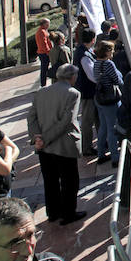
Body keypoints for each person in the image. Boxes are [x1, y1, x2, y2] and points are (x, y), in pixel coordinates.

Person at [26, 64, 85, 225]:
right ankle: (68, 214)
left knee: (50, 181)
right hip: (63, 145)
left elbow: (31, 118)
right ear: (72, 77)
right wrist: (45, 138)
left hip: (44, 148)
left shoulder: (41, 92)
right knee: (69, 181)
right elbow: (66, 121)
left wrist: (37, 138)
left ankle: (52, 212)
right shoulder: (73, 94)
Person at [93, 40, 123, 167]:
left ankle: (100, 154)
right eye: (111, 50)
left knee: (103, 126)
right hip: (110, 99)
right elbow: (118, 79)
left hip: (99, 98)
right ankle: (115, 158)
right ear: (106, 52)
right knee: (112, 128)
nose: (113, 52)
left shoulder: (96, 63)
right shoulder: (109, 64)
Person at [73, 28, 98, 156]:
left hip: (87, 91)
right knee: (88, 121)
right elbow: (92, 76)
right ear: (93, 39)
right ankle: (87, 148)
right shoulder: (84, 55)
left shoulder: (83, 51)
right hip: (88, 92)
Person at [35, 18, 52, 88]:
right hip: (44, 53)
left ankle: (43, 83)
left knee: (44, 69)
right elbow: (44, 44)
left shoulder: (43, 31)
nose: (48, 25)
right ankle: (43, 84)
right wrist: (48, 52)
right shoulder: (42, 32)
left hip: (43, 52)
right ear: (44, 24)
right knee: (44, 69)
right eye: (47, 24)